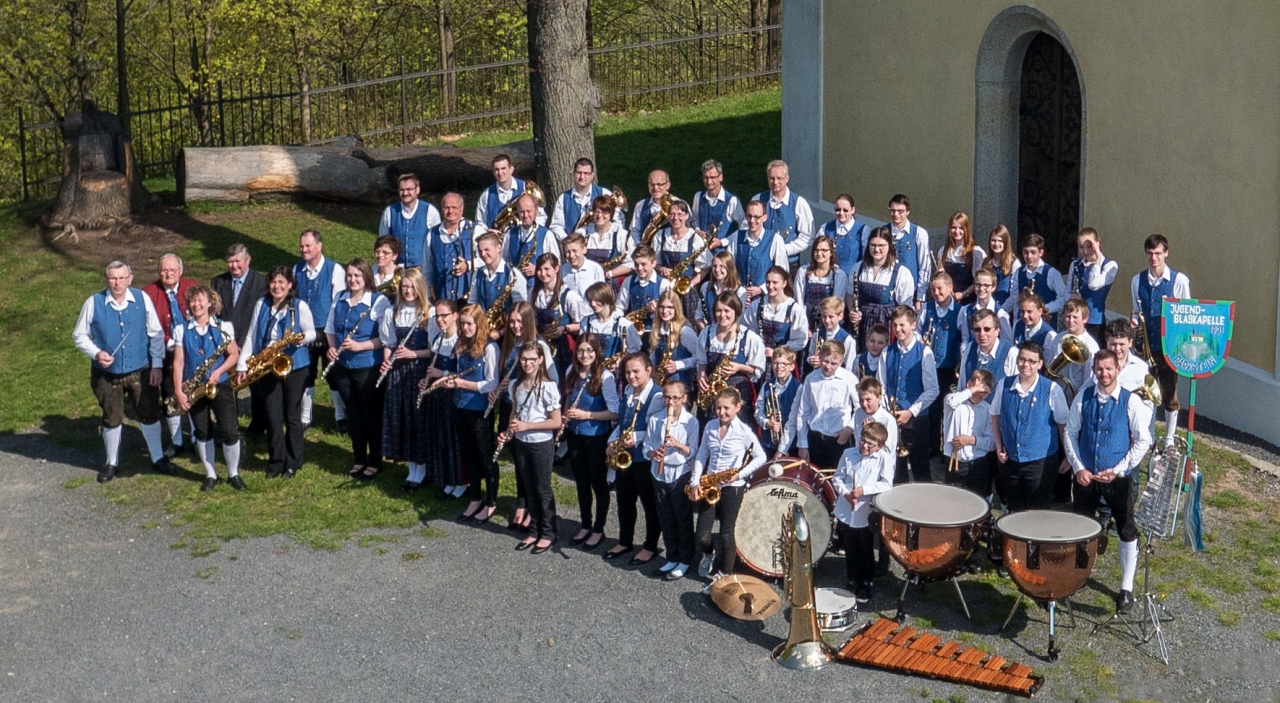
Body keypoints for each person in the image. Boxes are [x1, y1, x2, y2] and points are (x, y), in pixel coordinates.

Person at [1063, 350, 1153, 613]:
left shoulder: (1130, 401)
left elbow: (1144, 439)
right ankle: (1080, 574)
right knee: (1081, 526)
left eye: (1109, 369)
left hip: (1118, 479)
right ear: (1094, 370)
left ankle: (1126, 587)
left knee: (1126, 529)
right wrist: (1079, 468)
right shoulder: (1084, 397)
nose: (1104, 374)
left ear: (1117, 370)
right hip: (1086, 477)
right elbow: (1070, 432)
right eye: (1099, 369)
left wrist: (1120, 469)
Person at [72, 261, 171, 482]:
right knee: (112, 416)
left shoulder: (142, 299)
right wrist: (97, 353)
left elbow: (155, 334)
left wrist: (156, 364)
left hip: (141, 370)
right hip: (107, 374)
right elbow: (79, 335)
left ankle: (157, 457)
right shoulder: (93, 302)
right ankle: (111, 462)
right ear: (107, 279)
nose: (117, 283)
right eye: (112, 278)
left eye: (121, 278)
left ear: (130, 278)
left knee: (149, 412)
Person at [236, 265, 316, 479]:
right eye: (273, 282)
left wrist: (302, 338)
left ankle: (293, 461)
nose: (277, 286)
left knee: (291, 415)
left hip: (295, 365)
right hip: (268, 366)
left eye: (281, 282)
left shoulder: (299, 306)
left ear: (290, 285)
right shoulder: (262, 304)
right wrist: (243, 364)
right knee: (272, 415)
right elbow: (252, 334)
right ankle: (276, 461)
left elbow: (311, 332)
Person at [690, 386, 767, 583]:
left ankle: (726, 573)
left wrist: (738, 475)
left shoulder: (744, 432)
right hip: (710, 485)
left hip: (732, 487)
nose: (721, 412)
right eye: (718, 408)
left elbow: (761, 457)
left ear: (737, 407)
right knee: (702, 535)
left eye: (726, 408)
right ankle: (709, 553)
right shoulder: (710, 426)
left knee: (726, 533)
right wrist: (695, 481)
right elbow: (701, 455)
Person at [325, 259, 391, 482]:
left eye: (357, 276)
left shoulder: (378, 302)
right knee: (353, 413)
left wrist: (360, 346)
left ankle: (375, 460)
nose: (352, 280)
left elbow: (385, 338)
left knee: (369, 414)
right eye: (350, 276)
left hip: (367, 366)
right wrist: (332, 348)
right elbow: (330, 328)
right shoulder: (340, 298)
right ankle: (359, 458)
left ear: (366, 278)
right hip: (343, 366)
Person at [171, 284, 242, 491]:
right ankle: (210, 474)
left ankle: (233, 473)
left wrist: (219, 372)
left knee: (229, 430)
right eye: (193, 301)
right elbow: (178, 362)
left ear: (210, 302)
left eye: (200, 299)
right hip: (194, 389)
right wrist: (178, 390)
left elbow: (234, 355)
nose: (196, 304)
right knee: (202, 431)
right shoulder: (181, 329)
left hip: (219, 385)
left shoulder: (223, 327)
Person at [989, 341, 1069, 512]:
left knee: (1037, 509)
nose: (1026, 365)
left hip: (1041, 463)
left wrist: (1067, 456)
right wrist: (998, 446)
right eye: (1022, 360)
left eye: (1031, 361)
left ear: (1040, 364)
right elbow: (995, 415)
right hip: (1010, 460)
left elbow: (1063, 425)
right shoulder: (1004, 384)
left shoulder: (1052, 389)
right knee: (1014, 507)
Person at [440, 303, 501, 522]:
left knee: (485, 456)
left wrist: (463, 384)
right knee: (469, 455)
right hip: (460, 406)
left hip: (478, 409)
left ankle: (491, 501)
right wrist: (448, 378)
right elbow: (458, 371)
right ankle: (475, 497)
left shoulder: (490, 348)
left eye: (469, 324)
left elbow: (491, 382)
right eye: (462, 324)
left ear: (479, 324)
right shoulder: (461, 344)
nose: (465, 328)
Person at [1131, 233, 1191, 448]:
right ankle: (1149, 435)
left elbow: (1186, 314)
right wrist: (1134, 323)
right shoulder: (1137, 280)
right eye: (1150, 253)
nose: (1153, 258)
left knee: (1169, 393)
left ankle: (1169, 438)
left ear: (1166, 253)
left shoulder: (1179, 280)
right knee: (1147, 393)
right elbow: (1136, 311)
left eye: (1157, 253)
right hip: (1146, 347)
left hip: (1169, 348)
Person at [603, 353, 663, 566]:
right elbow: (622, 422)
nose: (631, 376)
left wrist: (636, 438)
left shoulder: (656, 396)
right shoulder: (628, 391)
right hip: (626, 456)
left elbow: (657, 430)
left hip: (644, 457)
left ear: (649, 370)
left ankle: (650, 545)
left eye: (636, 371)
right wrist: (612, 441)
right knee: (624, 501)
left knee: (649, 503)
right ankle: (624, 540)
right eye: (627, 372)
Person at [377, 267, 433, 490]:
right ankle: (412, 470)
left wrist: (413, 354)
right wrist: (386, 362)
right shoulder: (393, 312)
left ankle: (423, 470)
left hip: (419, 372)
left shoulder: (431, 313)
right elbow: (389, 343)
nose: (408, 291)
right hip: (398, 372)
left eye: (412, 287)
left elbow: (435, 350)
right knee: (402, 419)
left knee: (417, 419)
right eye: (405, 287)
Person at [563, 335, 620, 551]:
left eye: (589, 351)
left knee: (598, 482)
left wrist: (586, 415)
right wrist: (566, 416)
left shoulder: (604, 377)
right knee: (581, 481)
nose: (585, 355)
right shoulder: (571, 372)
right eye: (580, 351)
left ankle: (598, 528)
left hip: (596, 436)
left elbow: (614, 412)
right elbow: (568, 399)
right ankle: (585, 524)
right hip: (574, 434)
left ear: (596, 353)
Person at [506, 343, 562, 554]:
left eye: (532, 359)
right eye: (524, 359)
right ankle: (534, 529)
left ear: (540, 360)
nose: (528, 363)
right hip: (521, 441)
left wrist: (527, 426)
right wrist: (509, 431)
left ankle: (548, 533)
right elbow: (514, 412)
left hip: (540, 443)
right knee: (529, 488)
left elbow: (556, 421)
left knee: (542, 489)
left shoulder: (548, 387)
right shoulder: (516, 385)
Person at [141, 254, 199, 457]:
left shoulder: (193, 288)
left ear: (181, 271)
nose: (168, 274)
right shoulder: (149, 293)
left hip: (192, 350)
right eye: (164, 271)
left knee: (195, 393)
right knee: (169, 394)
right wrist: (169, 341)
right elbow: (148, 326)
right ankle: (176, 441)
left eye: (172, 270)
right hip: (166, 352)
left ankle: (196, 436)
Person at [831, 421, 894, 602]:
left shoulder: (883, 458)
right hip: (847, 508)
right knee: (850, 547)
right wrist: (846, 494)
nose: (864, 446)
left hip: (865, 510)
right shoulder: (848, 454)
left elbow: (886, 483)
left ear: (880, 446)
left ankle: (866, 583)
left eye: (870, 444)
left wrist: (864, 490)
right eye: (862, 441)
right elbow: (837, 478)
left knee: (865, 548)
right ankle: (852, 578)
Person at [644, 380, 701, 580]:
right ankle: (672, 556)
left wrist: (677, 444)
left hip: (679, 474)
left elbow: (692, 451)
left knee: (682, 517)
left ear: (684, 399)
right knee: (665, 517)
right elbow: (647, 445)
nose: (670, 402)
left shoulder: (691, 422)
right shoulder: (655, 419)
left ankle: (685, 559)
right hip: (658, 474)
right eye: (667, 397)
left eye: (675, 398)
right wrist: (652, 453)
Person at [210, 243, 268, 435]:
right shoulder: (217, 283)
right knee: (227, 389)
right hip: (226, 346)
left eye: (238, 261)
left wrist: (245, 344)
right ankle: (229, 427)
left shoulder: (261, 283)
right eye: (230, 262)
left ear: (248, 260)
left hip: (252, 344)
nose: (234, 266)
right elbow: (215, 315)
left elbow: (260, 316)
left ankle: (258, 426)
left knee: (258, 389)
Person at [879, 305, 939, 483]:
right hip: (892, 418)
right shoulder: (886, 352)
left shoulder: (924, 352)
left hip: (917, 419)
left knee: (920, 467)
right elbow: (881, 386)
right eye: (895, 325)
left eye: (902, 325)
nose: (898, 329)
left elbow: (932, 390)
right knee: (896, 468)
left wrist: (911, 412)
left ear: (913, 325)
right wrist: (885, 413)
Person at [295, 229, 347, 430]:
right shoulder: (297, 269)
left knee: (332, 373)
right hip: (305, 332)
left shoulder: (334, 270)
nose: (304, 249)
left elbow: (338, 303)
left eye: (308, 246)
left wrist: (332, 334)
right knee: (306, 373)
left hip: (327, 331)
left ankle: (339, 415)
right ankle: (306, 417)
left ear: (319, 246)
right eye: (301, 246)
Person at [419, 298, 468, 498]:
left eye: (444, 316)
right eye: (437, 316)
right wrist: (427, 380)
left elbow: (464, 372)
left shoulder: (461, 342)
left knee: (454, 439)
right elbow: (434, 367)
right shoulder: (438, 339)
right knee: (441, 437)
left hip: (454, 395)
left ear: (455, 316)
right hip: (438, 396)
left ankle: (461, 482)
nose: (440, 320)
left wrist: (442, 373)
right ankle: (448, 478)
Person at [695, 292, 766, 426]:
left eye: (727, 311)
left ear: (736, 311)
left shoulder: (749, 337)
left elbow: (758, 369)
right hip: (712, 390)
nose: (722, 315)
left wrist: (739, 367)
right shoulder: (707, 333)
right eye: (719, 311)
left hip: (738, 390)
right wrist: (702, 375)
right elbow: (702, 361)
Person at [791, 340, 859, 471]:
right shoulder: (811, 378)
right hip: (815, 439)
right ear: (820, 356)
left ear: (841, 362)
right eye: (825, 361)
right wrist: (802, 444)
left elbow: (859, 408)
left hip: (839, 439)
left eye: (833, 363)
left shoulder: (849, 379)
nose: (828, 366)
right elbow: (803, 412)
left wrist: (849, 429)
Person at [848, 227, 915, 348]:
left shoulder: (901, 272)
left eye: (881, 245)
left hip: (886, 327)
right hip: (861, 326)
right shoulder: (858, 268)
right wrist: (852, 311)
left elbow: (905, 308)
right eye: (873, 245)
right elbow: (849, 295)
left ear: (889, 246)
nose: (876, 249)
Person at [920, 271, 962, 456]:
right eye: (933, 289)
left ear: (950, 288)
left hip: (949, 367)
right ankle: (932, 446)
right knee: (932, 407)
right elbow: (917, 330)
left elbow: (965, 338)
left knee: (947, 407)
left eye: (940, 288)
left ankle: (947, 447)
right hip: (930, 367)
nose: (936, 293)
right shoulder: (927, 308)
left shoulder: (960, 311)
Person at [532, 252, 588, 381]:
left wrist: (564, 329)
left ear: (557, 269)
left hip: (562, 347)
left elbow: (583, 324)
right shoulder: (534, 293)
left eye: (547, 269)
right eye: (540, 269)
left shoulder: (569, 296)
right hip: (540, 344)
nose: (543, 273)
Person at [653, 200, 710, 322]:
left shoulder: (695, 237)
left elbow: (706, 267)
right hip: (665, 286)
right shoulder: (660, 235)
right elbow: (653, 262)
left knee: (689, 323)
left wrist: (690, 285)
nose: (675, 218)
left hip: (686, 290)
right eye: (672, 214)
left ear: (687, 216)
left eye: (680, 214)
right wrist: (661, 268)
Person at [941, 370, 995, 492]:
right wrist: (974, 388)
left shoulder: (988, 410)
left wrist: (971, 440)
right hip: (955, 461)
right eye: (977, 390)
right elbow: (952, 401)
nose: (980, 394)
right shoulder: (953, 401)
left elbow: (992, 443)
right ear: (968, 384)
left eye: (984, 392)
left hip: (978, 463)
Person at [752, 159, 814, 264]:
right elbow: (746, 228)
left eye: (779, 178)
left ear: (787, 179)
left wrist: (782, 250)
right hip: (761, 262)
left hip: (789, 263)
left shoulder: (799, 203)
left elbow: (808, 237)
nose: (775, 182)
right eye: (772, 178)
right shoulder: (757, 199)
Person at [725, 199, 787, 302]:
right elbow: (729, 268)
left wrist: (761, 289)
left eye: (756, 217)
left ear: (764, 218)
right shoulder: (736, 237)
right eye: (749, 216)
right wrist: (740, 290)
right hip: (739, 298)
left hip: (767, 298)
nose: (752, 221)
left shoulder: (775, 240)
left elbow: (782, 272)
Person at [549, 157, 622, 241]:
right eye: (579, 173)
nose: (582, 177)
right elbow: (556, 226)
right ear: (573, 174)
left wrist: (606, 239)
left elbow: (618, 221)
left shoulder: (604, 194)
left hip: (600, 246)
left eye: (586, 173)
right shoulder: (563, 198)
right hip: (572, 250)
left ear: (592, 175)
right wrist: (570, 241)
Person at [746, 265, 808, 362]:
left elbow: (800, 340)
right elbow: (748, 329)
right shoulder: (757, 305)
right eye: (768, 282)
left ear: (784, 283)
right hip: (758, 358)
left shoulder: (794, 309)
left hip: (783, 361)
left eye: (775, 282)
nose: (770, 286)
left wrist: (777, 352)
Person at [378, 173, 441, 269]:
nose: (405, 193)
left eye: (409, 189)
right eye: (402, 190)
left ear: (417, 189)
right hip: (397, 268)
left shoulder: (430, 211)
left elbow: (437, 243)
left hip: (422, 269)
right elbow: (383, 242)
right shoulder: (390, 211)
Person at [468, 232, 528, 333]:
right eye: (480, 251)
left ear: (498, 248)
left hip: (508, 332)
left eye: (487, 250)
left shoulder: (513, 274)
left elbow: (521, 311)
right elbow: (473, 304)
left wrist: (501, 332)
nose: (483, 254)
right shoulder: (477, 274)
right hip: (483, 329)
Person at [425, 192, 480, 302]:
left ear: (462, 209)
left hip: (470, 299)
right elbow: (427, 267)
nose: (450, 211)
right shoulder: (432, 234)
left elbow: (486, 260)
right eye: (447, 208)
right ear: (442, 210)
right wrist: (427, 294)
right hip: (442, 299)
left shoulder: (476, 231)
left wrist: (468, 265)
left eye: (454, 207)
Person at [1066, 227, 1118, 343]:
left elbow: (1093, 284)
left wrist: (1098, 259)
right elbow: (1067, 292)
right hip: (1076, 319)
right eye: (1081, 247)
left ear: (1097, 244)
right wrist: (1072, 298)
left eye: (1089, 246)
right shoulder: (1075, 264)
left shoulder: (1109, 265)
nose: (1085, 251)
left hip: (1095, 321)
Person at [503, 193, 560, 294]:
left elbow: (556, 264)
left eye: (529, 211)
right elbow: (503, 261)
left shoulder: (547, 235)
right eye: (522, 212)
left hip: (540, 290)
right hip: (515, 290)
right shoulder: (509, 234)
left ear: (536, 211)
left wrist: (538, 269)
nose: (525, 216)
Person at [1003, 233, 1066, 325]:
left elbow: (1063, 299)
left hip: (1045, 326)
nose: (1029, 256)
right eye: (1026, 252)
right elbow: (1014, 299)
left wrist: (1044, 309)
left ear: (1041, 252)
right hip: (1024, 325)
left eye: (1033, 252)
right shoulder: (1019, 272)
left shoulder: (1051, 273)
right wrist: (1000, 312)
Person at [1044, 298, 1100, 399]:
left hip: (1075, 397)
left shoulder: (1091, 346)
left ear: (1085, 319)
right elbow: (1049, 365)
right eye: (1067, 316)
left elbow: (1090, 379)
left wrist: (1077, 399)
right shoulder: (1058, 338)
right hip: (1055, 395)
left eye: (1075, 317)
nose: (1070, 321)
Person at [794, 235, 850, 334]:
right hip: (806, 319)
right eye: (816, 250)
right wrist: (803, 325)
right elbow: (799, 301)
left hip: (828, 320)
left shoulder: (838, 275)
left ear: (831, 252)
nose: (819, 253)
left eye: (824, 250)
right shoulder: (803, 272)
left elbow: (836, 304)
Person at [475, 153, 544, 231]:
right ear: (493, 172)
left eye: (503, 168)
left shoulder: (525, 188)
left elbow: (541, 217)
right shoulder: (486, 195)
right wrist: (488, 232)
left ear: (511, 169)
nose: (500, 173)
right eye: (497, 170)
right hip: (495, 241)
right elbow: (480, 222)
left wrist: (531, 232)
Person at [885, 194, 931, 309]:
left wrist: (920, 297)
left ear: (908, 211)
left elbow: (924, 266)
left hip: (911, 293)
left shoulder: (919, 233)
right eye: (892, 211)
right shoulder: (883, 232)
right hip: (887, 291)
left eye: (900, 211)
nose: (896, 215)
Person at [616, 245, 671, 339]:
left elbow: (671, 312)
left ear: (654, 263)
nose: (639, 268)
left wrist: (659, 310)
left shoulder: (663, 283)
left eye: (643, 264)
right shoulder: (629, 281)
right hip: (634, 332)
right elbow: (620, 307)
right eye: (636, 264)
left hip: (657, 332)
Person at [649, 289, 700, 388]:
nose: (665, 311)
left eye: (670, 307)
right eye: (662, 307)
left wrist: (678, 365)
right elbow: (653, 357)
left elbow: (699, 357)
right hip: (661, 385)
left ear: (676, 309)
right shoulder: (657, 329)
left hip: (681, 386)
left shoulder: (685, 331)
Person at [580, 194, 636, 285]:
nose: (599, 215)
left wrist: (609, 273)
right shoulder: (582, 233)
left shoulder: (621, 234)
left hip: (611, 283)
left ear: (611, 214)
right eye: (597, 212)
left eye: (605, 212)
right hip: (586, 281)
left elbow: (631, 263)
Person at [958, 309, 1018, 391]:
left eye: (987, 329)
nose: (982, 334)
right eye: (977, 329)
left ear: (997, 331)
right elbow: (962, 385)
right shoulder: (969, 348)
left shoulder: (1011, 353)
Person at [756, 347, 800, 457]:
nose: (779, 367)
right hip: (769, 443)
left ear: (792, 367)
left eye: (784, 364)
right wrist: (767, 422)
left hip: (791, 445)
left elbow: (794, 420)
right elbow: (758, 410)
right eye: (775, 363)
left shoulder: (799, 388)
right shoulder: (767, 385)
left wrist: (781, 450)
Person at [938, 212, 985, 304]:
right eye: (953, 227)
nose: (957, 231)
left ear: (966, 229)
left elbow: (979, 280)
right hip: (948, 301)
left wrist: (963, 294)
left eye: (960, 228)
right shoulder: (943, 251)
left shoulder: (975, 252)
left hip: (969, 301)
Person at [958, 268, 1013, 346]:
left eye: (986, 285)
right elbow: (965, 338)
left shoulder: (1000, 314)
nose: (981, 288)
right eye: (978, 284)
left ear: (993, 287)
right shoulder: (966, 310)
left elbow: (1007, 342)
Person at [694, 250, 746, 331]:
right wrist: (706, 332)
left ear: (729, 268)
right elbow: (698, 314)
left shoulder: (740, 291)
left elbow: (740, 319)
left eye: (721, 266)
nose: (717, 270)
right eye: (714, 266)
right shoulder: (706, 287)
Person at [805, 296, 857, 376]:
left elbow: (849, 368)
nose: (826, 320)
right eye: (824, 316)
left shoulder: (848, 340)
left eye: (831, 317)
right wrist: (811, 360)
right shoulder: (817, 335)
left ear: (840, 316)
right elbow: (810, 355)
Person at [819, 193, 870, 274]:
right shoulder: (825, 228)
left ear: (853, 210)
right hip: (829, 278)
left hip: (851, 279)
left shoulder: (863, 230)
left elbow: (867, 260)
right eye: (837, 210)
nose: (841, 213)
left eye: (845, 210)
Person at [853, 376, 899, 456]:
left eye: (868, 400)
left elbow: (888, 451)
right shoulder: (859, 413)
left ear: (879, 398)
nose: (864, 404)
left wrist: (869, 433)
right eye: (861, 400)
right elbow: (857, 442)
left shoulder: (888, 420)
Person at [630, 169, 672, 244]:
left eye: (659, 184)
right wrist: (639, 246)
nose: (655, 188)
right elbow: (635, 230)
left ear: (668, 185)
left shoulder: (679, 204)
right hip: (647, 252)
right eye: (652, 184)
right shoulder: (641, 204)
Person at [560, 232, 607, 299]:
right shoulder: (562, 270)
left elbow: (601, 296)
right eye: (568, 252)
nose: (571, 255)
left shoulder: (595, 269)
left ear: (584, 250)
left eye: (574, 251)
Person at [984, 225, 1021, 310]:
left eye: (1000, 241)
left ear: (1006, 243)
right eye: (993, 240)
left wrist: (1001, 311)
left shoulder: (1014, 263)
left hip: (1006, 310)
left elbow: (1014, 293)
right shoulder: (986, 262)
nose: (996, 244)